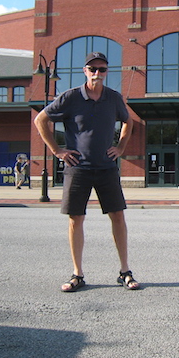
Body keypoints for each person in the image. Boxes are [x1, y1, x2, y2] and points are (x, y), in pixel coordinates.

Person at [34, 52, 138, 292]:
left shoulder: (113, 98)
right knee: (75, 219)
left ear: (106, 72)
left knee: (118, 217)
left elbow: (128, 121)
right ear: (85, 71)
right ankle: (77, 274)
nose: (97, 74)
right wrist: (57, 150)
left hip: (106, 167)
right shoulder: (70, 98)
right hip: (77, 168)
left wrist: (120, 147)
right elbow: (40, 120)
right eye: (93, 69)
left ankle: (125, 272)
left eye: (102, 69)